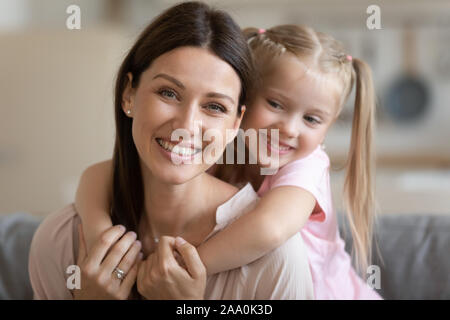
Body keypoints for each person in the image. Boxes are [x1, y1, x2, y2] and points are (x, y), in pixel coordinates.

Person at [28, 2, 314, 300]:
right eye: (169, 93)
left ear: (235, 123)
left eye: (214, 107)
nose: (187, 125)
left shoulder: (275, 260)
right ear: (129, 94)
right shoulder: (60, 240)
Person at [75, 23, 383, 299]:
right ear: (242, 105)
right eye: (275, 104)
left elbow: (270, 228)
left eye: (312, 119)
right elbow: (97, 175)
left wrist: (188, 267)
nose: (289, 129)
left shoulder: (308, 165)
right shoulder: (220, 141)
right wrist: (99, 237)